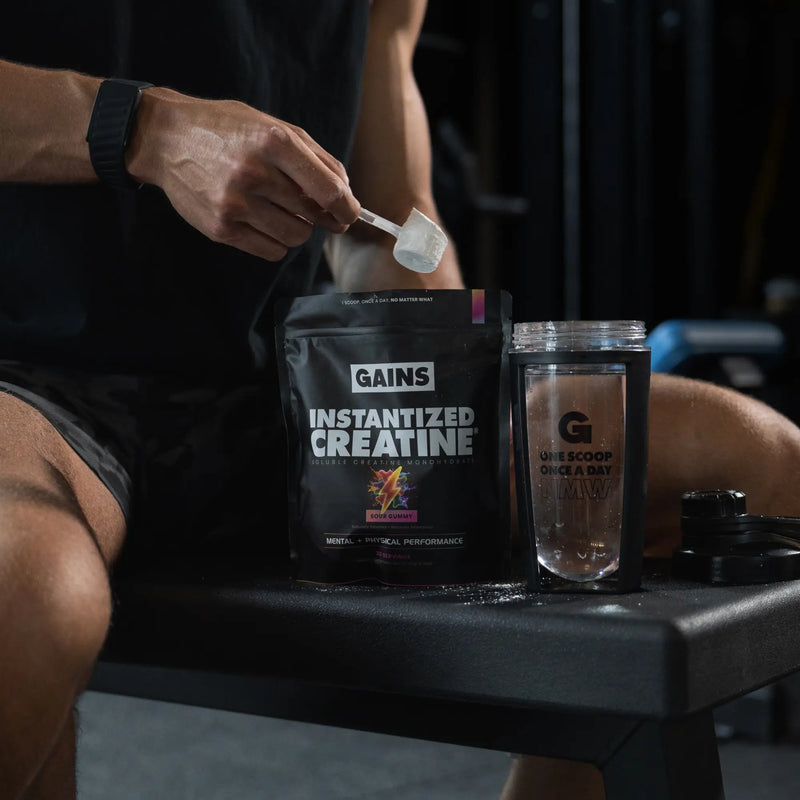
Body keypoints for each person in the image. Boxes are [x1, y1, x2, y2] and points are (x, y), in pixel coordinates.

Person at [1, 3, 800, 800]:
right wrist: (145, 128)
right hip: (32, 381)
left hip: (288, 389)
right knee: (24, 602)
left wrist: (446, 381)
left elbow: (386, 225)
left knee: (755, 464)